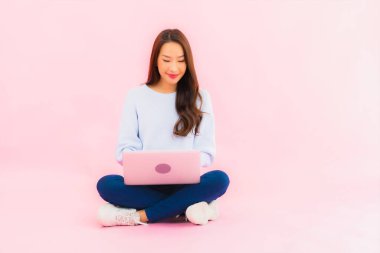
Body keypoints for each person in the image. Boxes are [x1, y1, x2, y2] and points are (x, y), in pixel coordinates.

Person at [96, 28, 230, 226]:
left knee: (220, 179)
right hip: (147, 186)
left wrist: (183, 161)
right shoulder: (136, 96)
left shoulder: (200, 97)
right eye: (167, 60)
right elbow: (124, 150)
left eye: (181, 60)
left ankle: (139, 216)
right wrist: (140, 160)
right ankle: (194, 207)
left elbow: (207, 153)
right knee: (106, 185)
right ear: (155, 60)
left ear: (188, 62)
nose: (174, 67)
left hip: (186, 185)